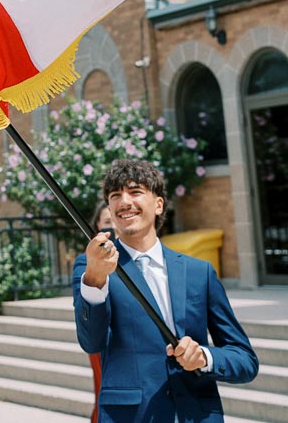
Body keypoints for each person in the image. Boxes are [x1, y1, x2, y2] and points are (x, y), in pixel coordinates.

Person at [74, 159, 257, 422]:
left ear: (159, 204)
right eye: (115, 196)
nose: (124, 201)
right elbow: (91, 342)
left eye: (135, 191)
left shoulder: (199, 272)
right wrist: (94, 278)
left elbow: (245, 360)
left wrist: (204, 357)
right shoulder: (92, 267)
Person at [86, 199, 116, 423]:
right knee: (103, 389)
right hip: (103, 336)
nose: (112, 227)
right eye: (106, 222)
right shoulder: (88, 262)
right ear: (97, 226)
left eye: (115, 221)